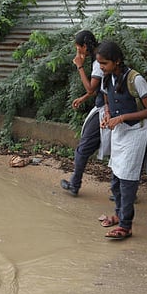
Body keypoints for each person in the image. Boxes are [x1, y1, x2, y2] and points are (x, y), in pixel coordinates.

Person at [96, 40, 147, 240]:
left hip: (135, 133)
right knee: (115, 178)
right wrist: (107, 115)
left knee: (127, 181)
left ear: (117, 61)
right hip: (119, 134)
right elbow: (107, 100)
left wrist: (121, 117)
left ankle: (126, 225)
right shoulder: (108, 78)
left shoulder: (135, 79)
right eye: (100, 63)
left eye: (104, 63)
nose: (101, 67)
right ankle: (119, 213)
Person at [60, 30, 105, 196]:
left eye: (79, 49)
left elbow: (91, 87)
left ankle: (74, 184)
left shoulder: (98, 60)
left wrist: (79, 65)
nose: (78, 53)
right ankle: (121, 192)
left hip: (105, 109)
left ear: (85, 46)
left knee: (83, 148)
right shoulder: (101, 54)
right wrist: (84, 97)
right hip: (110, 106)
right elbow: (97, 87)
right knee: (118, 151)